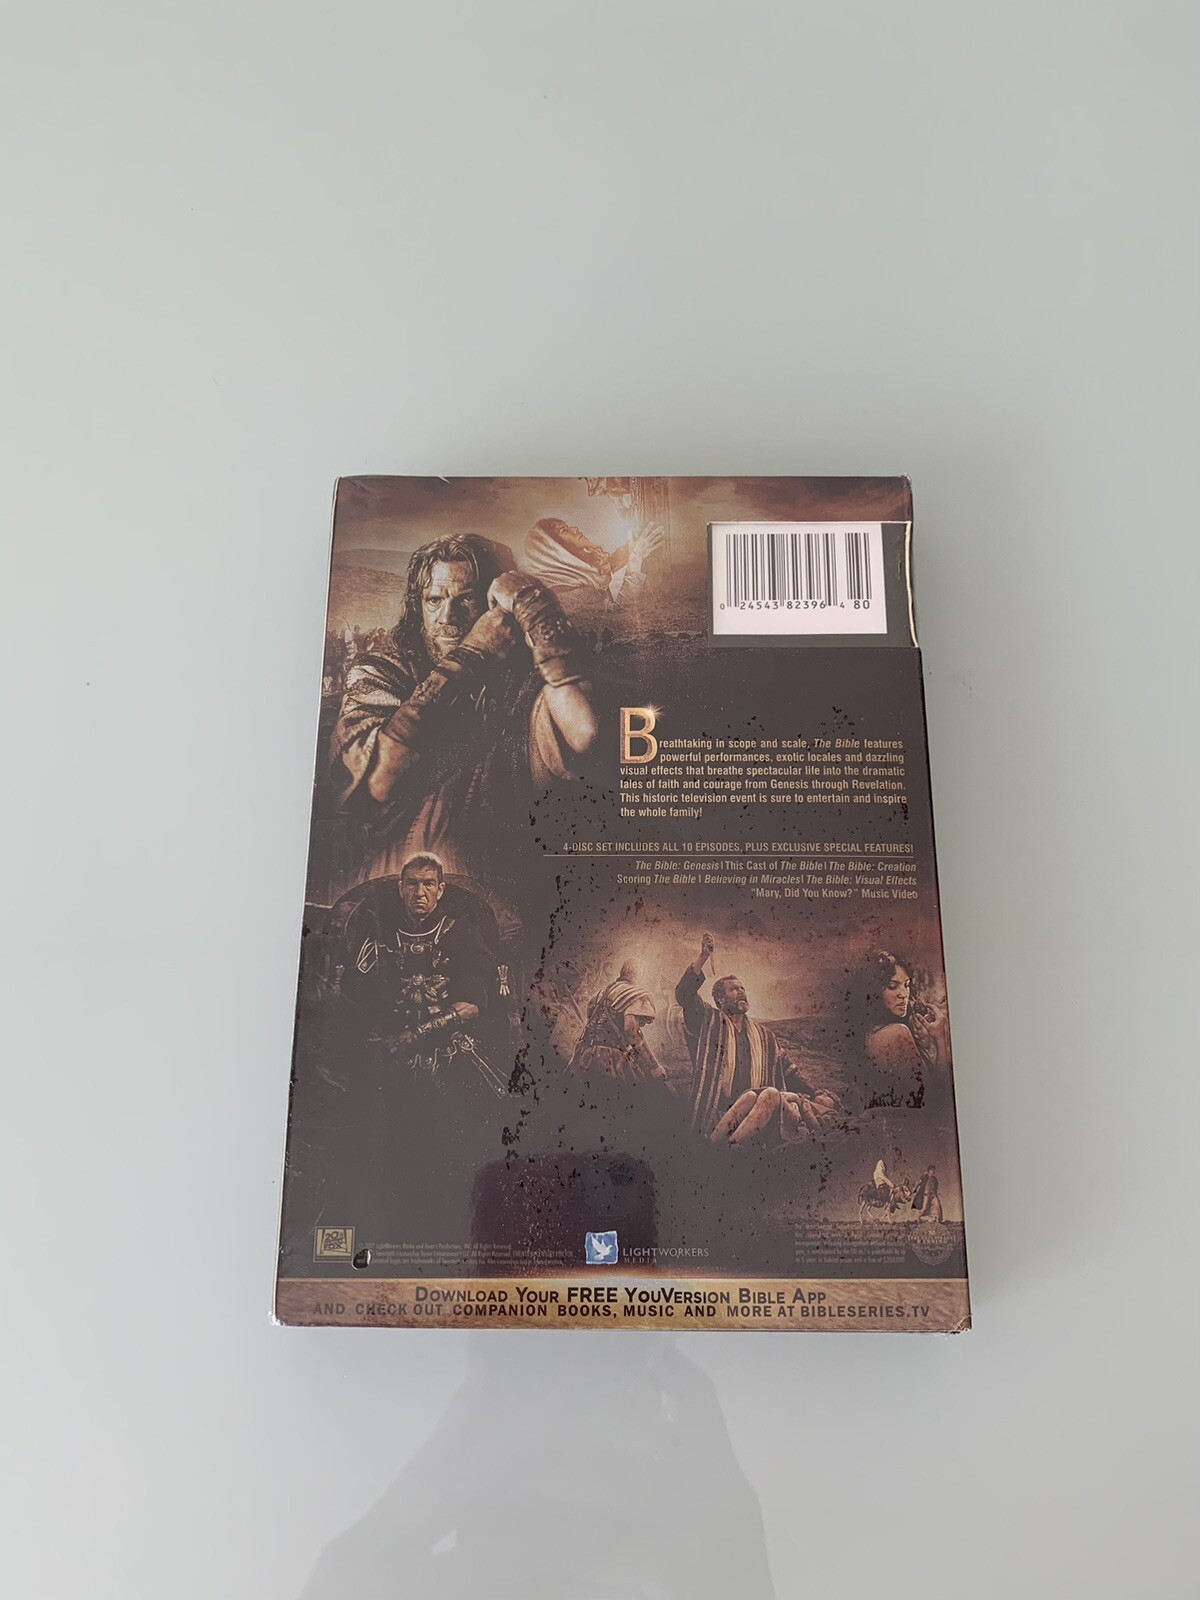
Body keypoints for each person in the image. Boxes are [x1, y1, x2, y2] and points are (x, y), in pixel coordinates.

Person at [331, 534, 599, 898]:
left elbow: (584, 731)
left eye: (466, 599)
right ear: (418, 605)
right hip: (396, 882)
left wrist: (535, 608)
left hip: (503, 885)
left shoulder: (521, 681)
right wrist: (471, 656)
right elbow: (381, 781)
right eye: (435, 600)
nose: (448, 617)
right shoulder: (379, 672)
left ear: (493, 608)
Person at [338, 853, 505, 1092]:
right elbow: (359, 997)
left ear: (440, 889)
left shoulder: (462, 933)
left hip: (448, 1050)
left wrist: (414, 1035)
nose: (419, 893)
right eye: (412, 883)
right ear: (401, 888)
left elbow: (472, 1006)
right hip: (389, 1051)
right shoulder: (381, 936)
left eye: (428, 884)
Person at [675, 934, 840, 1144]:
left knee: (758, 1097)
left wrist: (814, 1093)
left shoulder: (765, 1037)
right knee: (749, 1100)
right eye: (734, 989)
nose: (741, 992)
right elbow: (684, 995)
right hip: (717, 1112)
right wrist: (703, 958)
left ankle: (727, 1147)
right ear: (720, 999)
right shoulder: (707, 1021)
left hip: (760, 1112)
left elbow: (789, 1072)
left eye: (742, 988)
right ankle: (718, 1147)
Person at [523, 517, 666, 616]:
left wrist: (633, 549)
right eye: (563, 530)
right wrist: (636, 559)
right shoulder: (569, 594)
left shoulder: (573, 580)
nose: (575, 529)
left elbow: (609, 565)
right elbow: (618, 617)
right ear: (555, 550)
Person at [569, 961, 670, 1087]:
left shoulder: (598, 995)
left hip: (586, 1058)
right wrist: (654, 1066)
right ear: (638, 975)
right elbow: (631, 1031)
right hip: (611, 1062)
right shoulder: (632, 994)